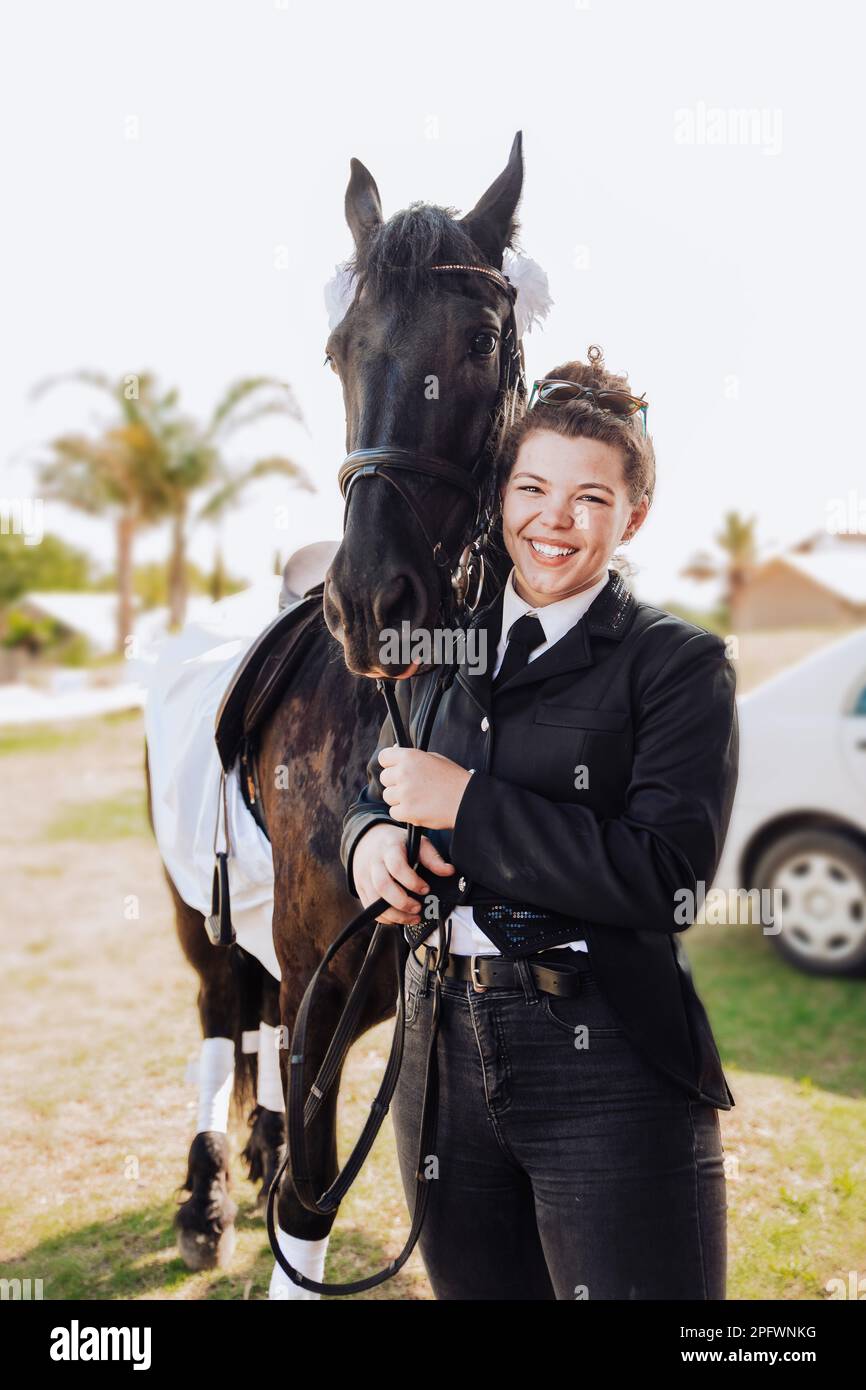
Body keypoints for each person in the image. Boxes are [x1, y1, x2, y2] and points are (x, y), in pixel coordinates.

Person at [340, 347, 739, 1300]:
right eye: (533, 488)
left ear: (632, 514)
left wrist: (468, 807)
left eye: (590, 498)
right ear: (502, 494)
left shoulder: (677, 665)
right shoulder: (442, 640)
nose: (554, 520)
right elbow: (384, 784)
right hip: (437, 1055)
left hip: (605, 1066)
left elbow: (665, 878)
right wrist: (369, 843)